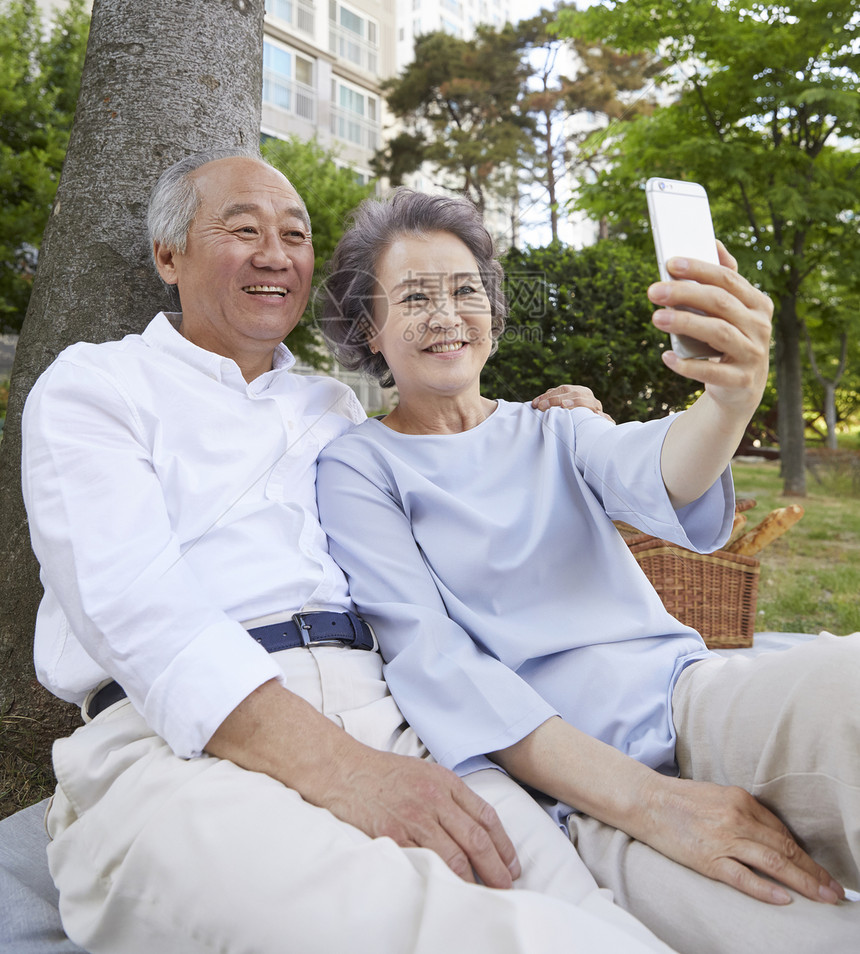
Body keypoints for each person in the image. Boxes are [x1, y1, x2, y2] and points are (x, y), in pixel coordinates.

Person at [21, 147, 678, 954]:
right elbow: (138, 613)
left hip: (390, 716)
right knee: (451, 935)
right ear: (168, 255)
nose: (276, 253)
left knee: (587, 914)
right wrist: (346, 774)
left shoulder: (336, 410)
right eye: (243, 229)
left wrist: (550, 416)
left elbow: (451, 474)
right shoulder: (95, 388)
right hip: (175, 739)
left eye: (295, 235)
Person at [315, 187, 860, 954]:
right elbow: (433, 660)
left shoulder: (556, 426)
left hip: (687, 701)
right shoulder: (360, 464)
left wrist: (729, 400)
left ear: (493, 312)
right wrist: (649, 802)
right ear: (368, 327)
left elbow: (659, 468)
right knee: (801, 933)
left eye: (465, 289)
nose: (446, 313)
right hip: (582, 795)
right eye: (413, 296)